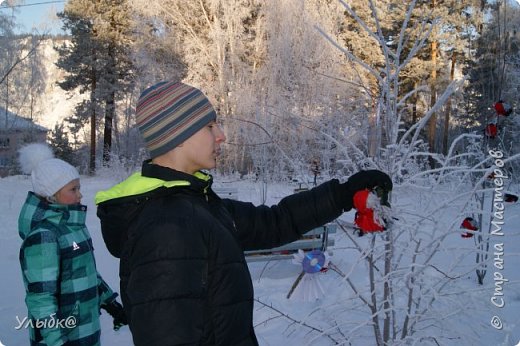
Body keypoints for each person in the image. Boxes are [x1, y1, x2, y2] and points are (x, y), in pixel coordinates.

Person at [95, 81, 392, 346]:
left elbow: (275, 222)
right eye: (210, 126)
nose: (221, 135)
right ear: (178, 135)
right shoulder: (168, 226)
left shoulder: (196, 204)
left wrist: (343, 194)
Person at [17, 143, 127, 346]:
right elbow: (41, 300)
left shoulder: (74, 227)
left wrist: (110, 303)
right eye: (73, 189)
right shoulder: (44, 237)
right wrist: (56, 341)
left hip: (86, 332)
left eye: (79, 188)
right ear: (52, 195)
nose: (80, 194)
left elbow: (85, 273)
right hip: (62, 338)